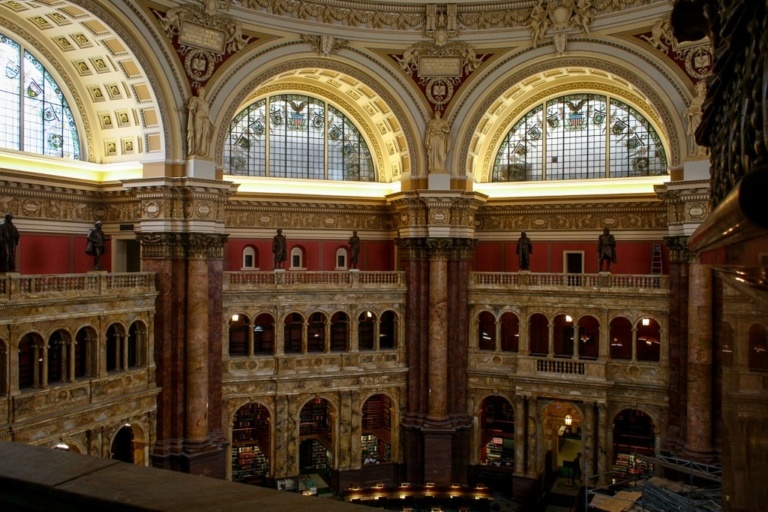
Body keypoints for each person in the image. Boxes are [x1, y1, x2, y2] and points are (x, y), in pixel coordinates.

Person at [187, 87, 212, 157]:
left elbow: (207, 112)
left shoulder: (206, 102)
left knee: (205, 136)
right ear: (199, 92)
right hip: (198, 118)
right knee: (198, 135)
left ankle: (202, 152)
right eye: (202, 91)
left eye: (204, 91)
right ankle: (196, 151)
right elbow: (193, 106)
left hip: (206, 119)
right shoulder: (196, 99)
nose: (203, 92)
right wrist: (191, 107)